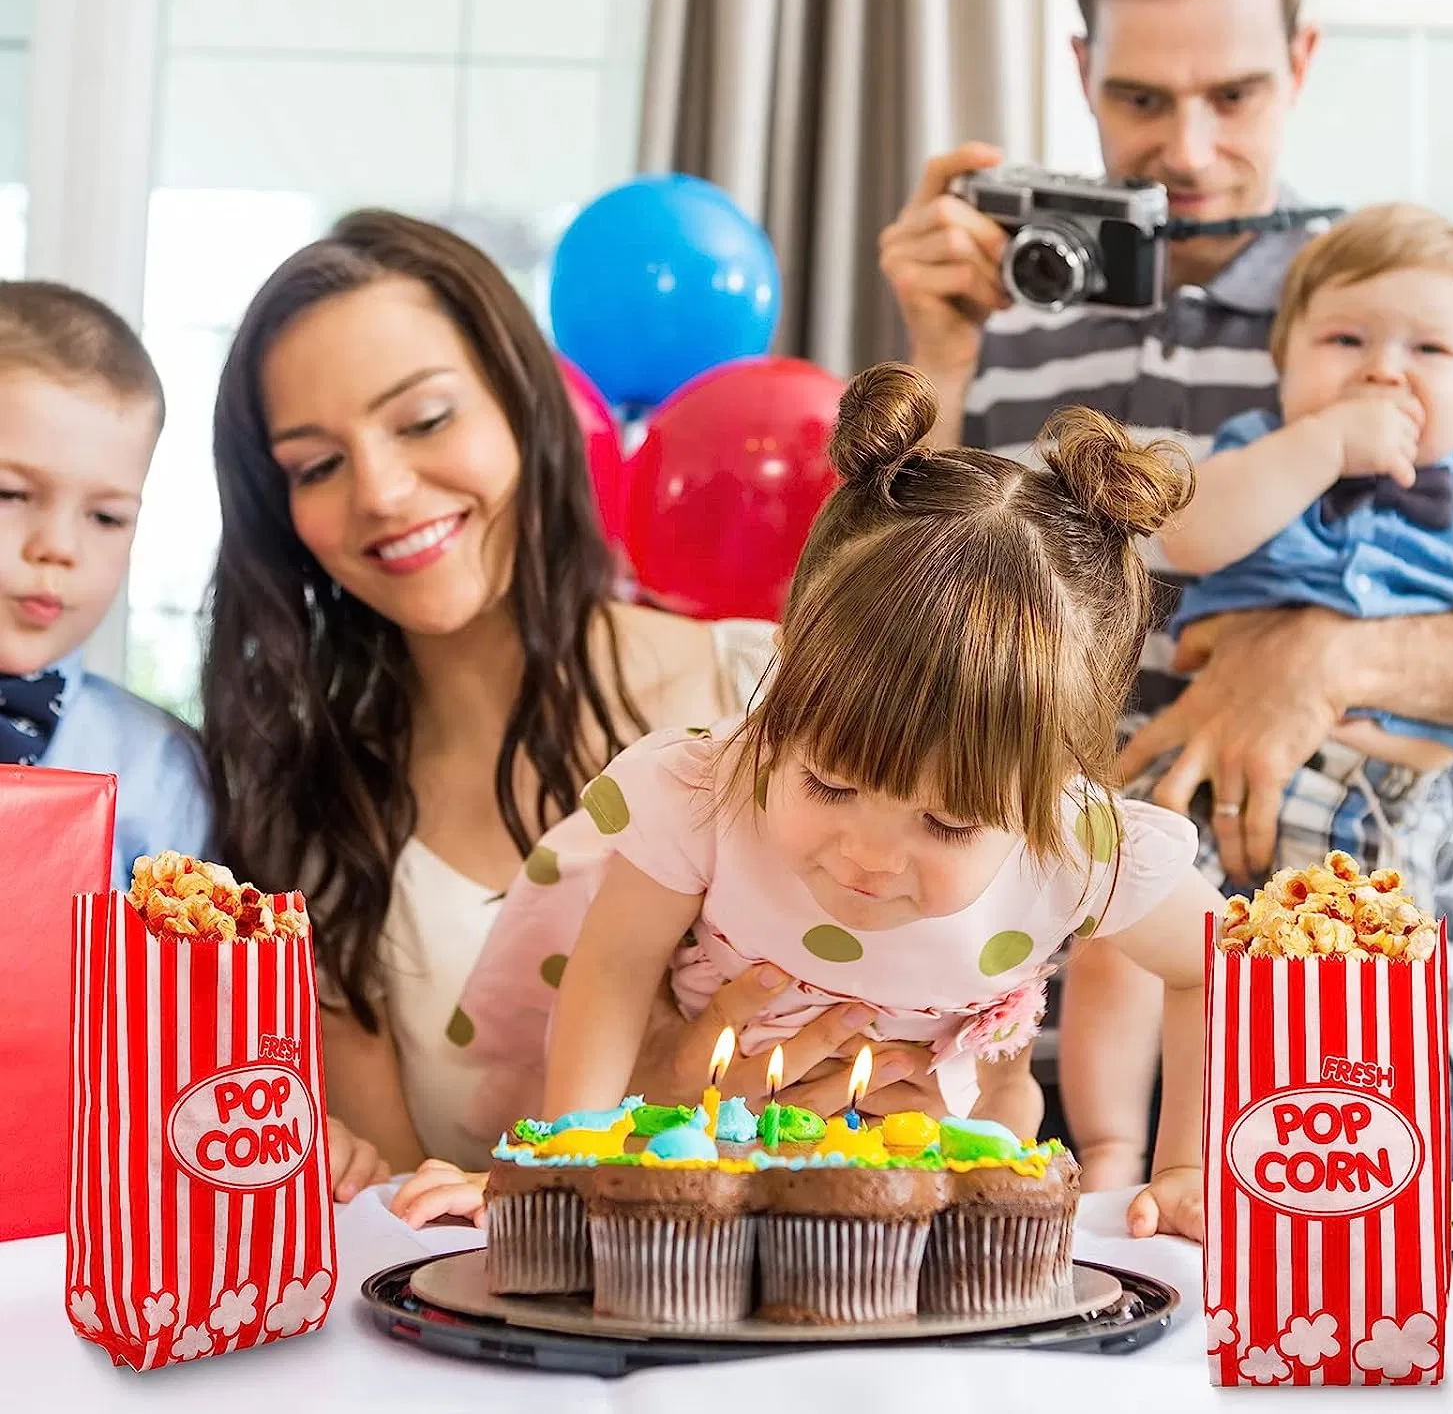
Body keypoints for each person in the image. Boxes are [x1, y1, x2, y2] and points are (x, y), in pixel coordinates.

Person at [878, 0, 1453, 1189]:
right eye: (1143, 99)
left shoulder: (1393, 316)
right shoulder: (1014, 308)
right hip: (1021, 1030)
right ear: (1079, 67)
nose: (1192, 148)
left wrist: (1327, 659)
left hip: (1321, 998)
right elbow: (878, 634)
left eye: (1237, 94)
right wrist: (938, 361)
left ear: (1305, 62)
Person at [201, 211, 946, 1206]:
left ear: (526, 405)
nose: (379, 490)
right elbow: (393, 1215)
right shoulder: (314, 802)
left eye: (423, 420)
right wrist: (641, 1111)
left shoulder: (759, 694)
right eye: (316, 465)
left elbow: (989, 1075)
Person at [398, 363, 1219, 1243]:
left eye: (946, 823)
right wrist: (569, 1163)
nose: (868, 854)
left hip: (925, 1228)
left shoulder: (1079, 845)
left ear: (1049, 787)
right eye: (829, 783)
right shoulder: (709, 796)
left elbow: (1218, 966)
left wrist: (1186, 1168)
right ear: (784, 674)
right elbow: (613, 963)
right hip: (705, 1195)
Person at [1154, 202, 1453, 901]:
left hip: (1381, 804)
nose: (1384, 371)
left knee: (1359, 986)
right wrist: (1324, 446)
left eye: (1428, 350)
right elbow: (1188, 536)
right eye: (1346, 339)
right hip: (1204, 767)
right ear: (1283, 363)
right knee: (1126, 936)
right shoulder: (1263, 448)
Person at [0, 281, 212, 888]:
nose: (60, 548)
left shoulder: (159, 769)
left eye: (107, 518)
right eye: (10, 494)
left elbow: (191, 978)